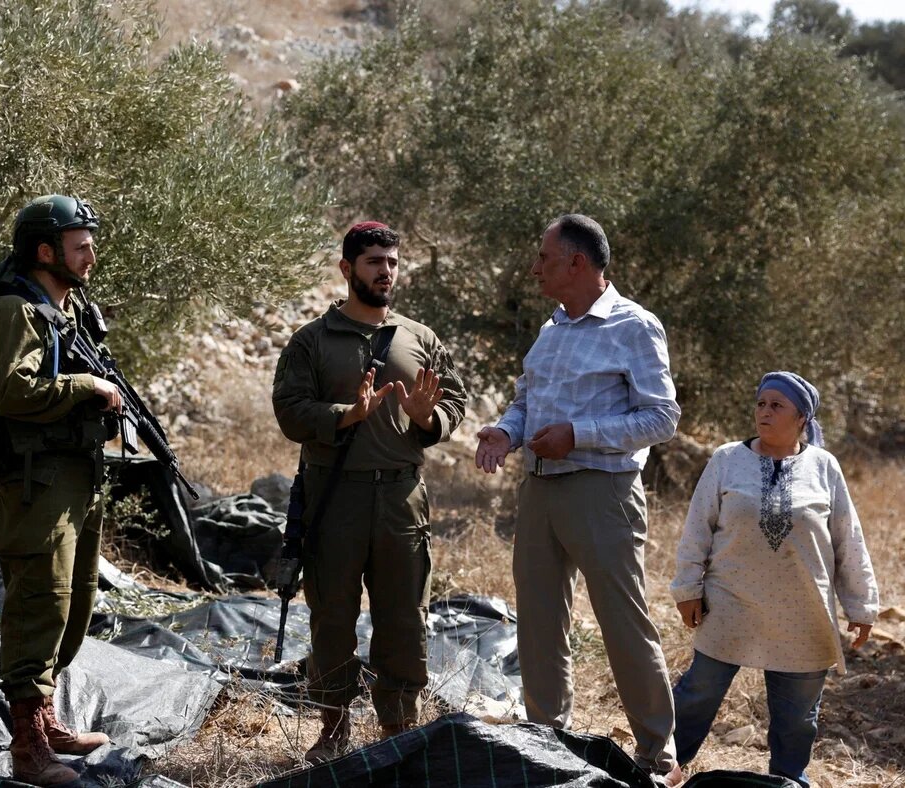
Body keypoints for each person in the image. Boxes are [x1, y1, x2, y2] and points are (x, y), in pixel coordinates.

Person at [473, 214, 682, 781]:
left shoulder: (634, 327)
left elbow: (662, 417)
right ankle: (548, 743)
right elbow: (525, 401)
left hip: (602, 491)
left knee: (621, 620)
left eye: (544, 257)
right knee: (538, 623)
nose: (535, 267)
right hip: (539, 490)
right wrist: (504, 431)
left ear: (578, 263)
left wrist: (579, 435)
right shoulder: (552, 331)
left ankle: (657, 752)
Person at [273, 221, 467, 764]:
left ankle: (398, 731)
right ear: (347, 270)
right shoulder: (313, 340)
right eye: (374, 262)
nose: (386, 272)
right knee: (332, 614)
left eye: (393, 262)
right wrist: (346, 415)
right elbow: (289, 412)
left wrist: (430, 419)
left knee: (405, 615)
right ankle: (332, 728)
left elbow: (455, 401)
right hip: (336, 498)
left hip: (402, 497)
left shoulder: (421, 339)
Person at [0, 195, 119, 786]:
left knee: (75, 602)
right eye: (80, 244)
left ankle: (47, 718)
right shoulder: (14, 311)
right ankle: (27, 747)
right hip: (35, 481)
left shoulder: (63, 310)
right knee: (39, 603)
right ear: (46, 252)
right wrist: (84, 384)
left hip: (75, 475)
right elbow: (11, 393)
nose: (91, 254)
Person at [669, 372, 878, 788]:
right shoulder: (727, 459)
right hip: (731, 599)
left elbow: (847, 540)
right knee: (698, 693)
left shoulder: (824, 467)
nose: (764, 412)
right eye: (761, 403)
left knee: (798, 716)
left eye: (776, 406)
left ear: (802, 418)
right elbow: (697, 529)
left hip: (803, 609)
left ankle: (788, 779)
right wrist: (687, 588)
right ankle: (662, 765)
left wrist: (862, 605)